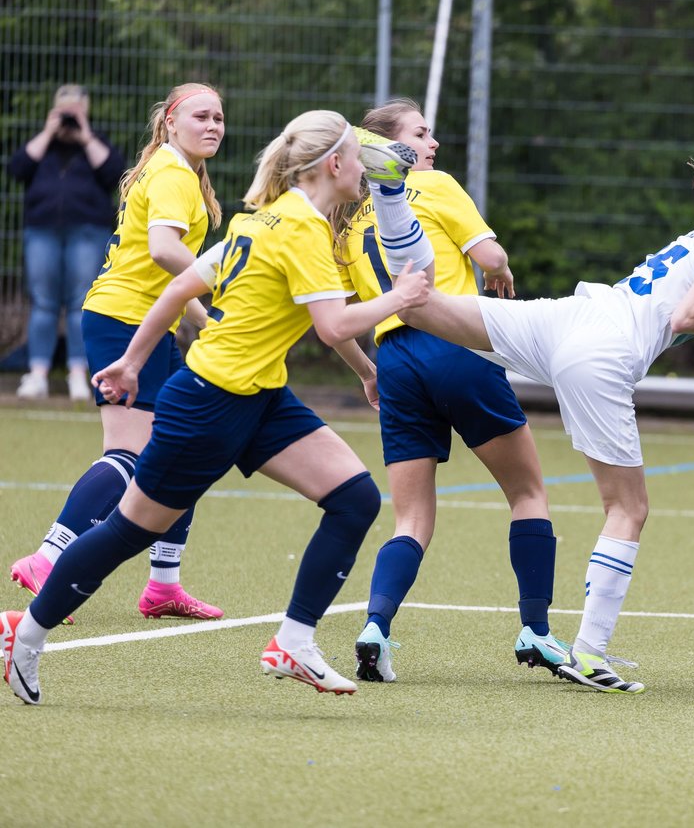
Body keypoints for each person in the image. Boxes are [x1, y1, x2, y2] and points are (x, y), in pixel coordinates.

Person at [0, 112, 433, 705]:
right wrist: (399, 297)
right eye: (358, 156)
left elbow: (182, 289)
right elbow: (331, 324)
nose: (365, 167)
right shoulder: (299, 225)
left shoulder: (268, 218)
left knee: (354, 498)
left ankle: (294, 642)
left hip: (260, 397)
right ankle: (24, 631)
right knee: (131, 529)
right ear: (334, 164)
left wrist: (131, 362)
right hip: (208, 402)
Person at [373, 127, 694, 693]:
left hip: (568, 320)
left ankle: (388, 196)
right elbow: (685, 320)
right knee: (629, 508)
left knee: (419, 305)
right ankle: (591, 652)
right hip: (603, 350)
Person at [340, 98, 565, 683]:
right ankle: (536, 631)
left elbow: (341, 316)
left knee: (411, 518)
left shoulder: (348, 220)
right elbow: (490, 253)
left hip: (393, 360)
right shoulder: (432, 183)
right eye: (420, 133)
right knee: (528, 493)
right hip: (454, 343)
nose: (432, 144)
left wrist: (367, 371)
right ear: (388, 146)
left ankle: (375, 627)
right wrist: (500, 271)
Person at [8, 83, 227, 623]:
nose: (214, 125)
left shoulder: (174, 170)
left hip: (138, 321)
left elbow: (161, 276)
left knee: (185, 448)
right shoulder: (174, 173)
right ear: (171, 122)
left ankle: (163, 585)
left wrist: (209, 323)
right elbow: (163, 252)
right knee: (129, 454)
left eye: (220, 117)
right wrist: (228, 279)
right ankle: (47, 558)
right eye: (200, 115)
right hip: (125, 324)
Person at [9, 84, 126, 401]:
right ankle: (37, 374)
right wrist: (49, 131)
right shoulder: (42, 145)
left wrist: (85, 135)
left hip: (88, 232)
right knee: (43, 303)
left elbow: (115, 173)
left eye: (76, 112)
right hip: (43, 231)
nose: (70, 119)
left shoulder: (96, 142)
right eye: (65, 112)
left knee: (80, 304)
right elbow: (17, 167)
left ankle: (79, 374)